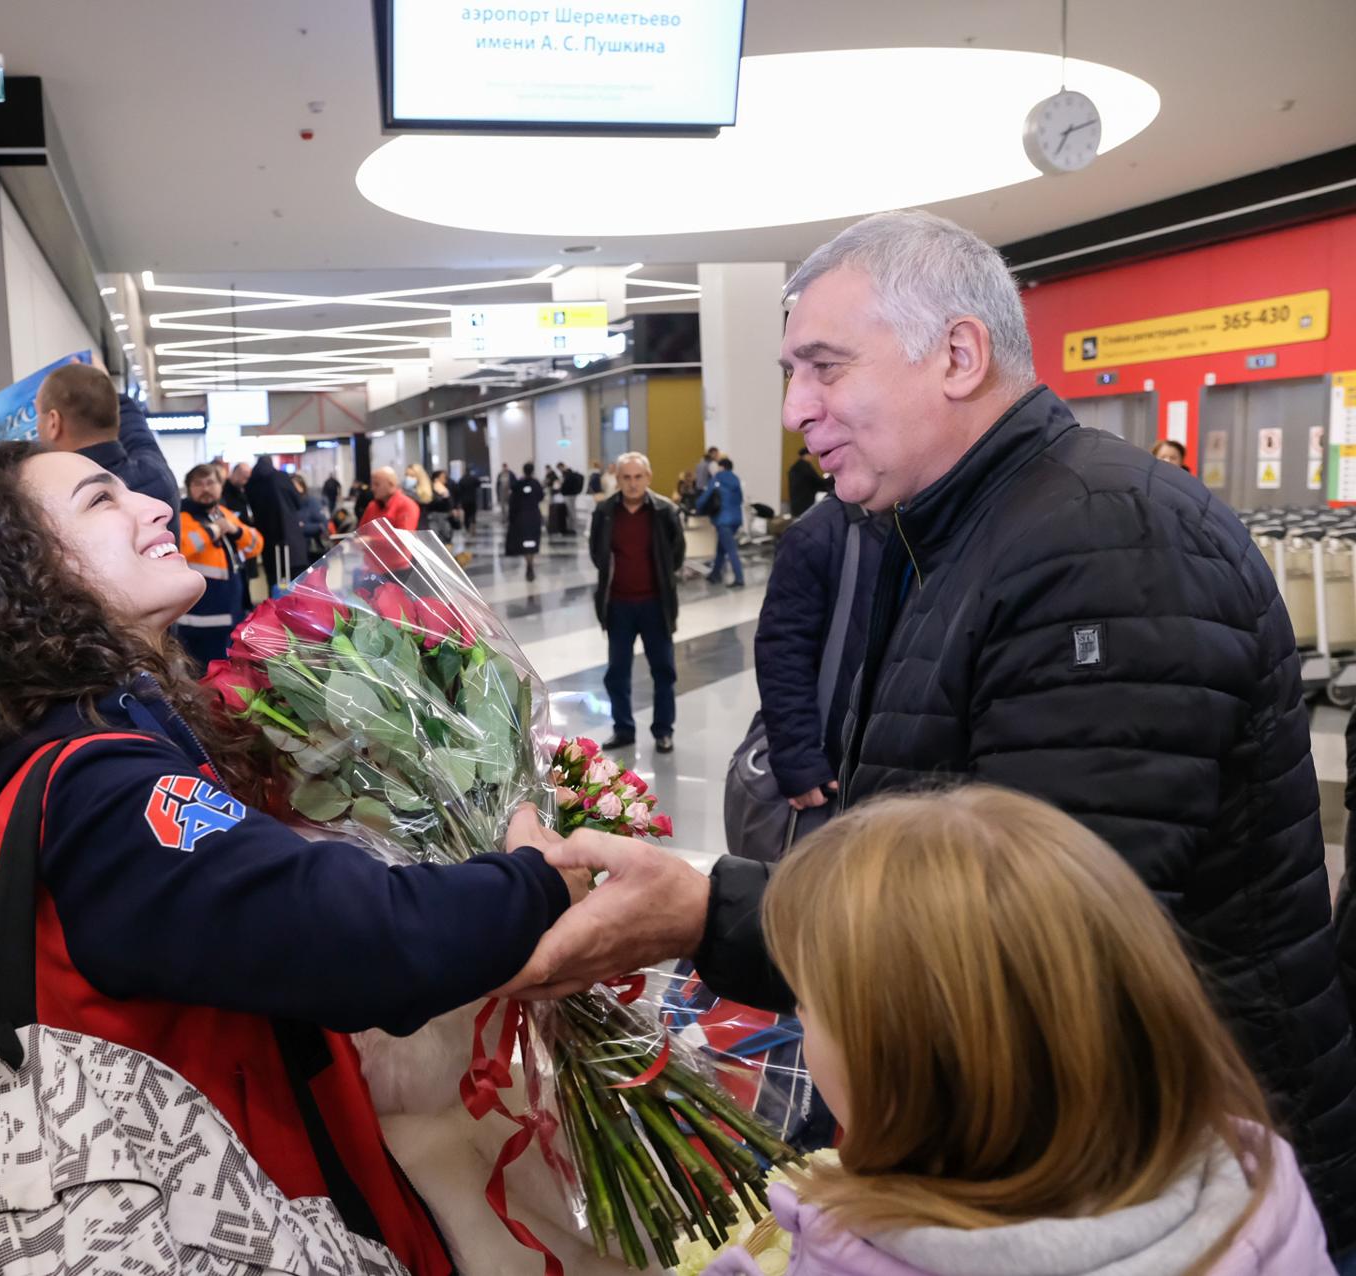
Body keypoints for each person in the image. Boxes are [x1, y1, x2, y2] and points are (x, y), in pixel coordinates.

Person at [500, 208, 1356, 1260]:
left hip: (1150, 1201)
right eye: (788, 371)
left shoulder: (1103, 548)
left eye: (824, 367)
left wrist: (701, 912)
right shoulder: (968, 530)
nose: (794, 408)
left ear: (957, 353)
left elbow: (1020, 948)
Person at [0, 443, 587, 1276]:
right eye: (101, 500)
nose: (156, 509)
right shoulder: (105, 791)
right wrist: (533, 880)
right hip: (238, 1224)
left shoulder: (95, 757)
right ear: (26, 577)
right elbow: (362, 941)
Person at [705, 787, 1335, 1276]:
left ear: (909, 1075)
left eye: (807, 1006)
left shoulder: (863, 1253)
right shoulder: (1256, 1186)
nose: (799, 1023)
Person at [754, 496, 883, 811]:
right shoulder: (818, 533)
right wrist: (799, 760)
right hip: (837, 763)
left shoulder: (937, 521)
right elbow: (783, 652)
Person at [590, 452, 686, 754]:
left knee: (663, 670)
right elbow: (598, 554)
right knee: (617, 672)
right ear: (617, 480)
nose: (632, 484)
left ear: (649, 477)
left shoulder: (665, 512)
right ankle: (623, 729)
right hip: (618, 606)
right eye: (626, 477)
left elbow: (677, 554)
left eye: (638, 477)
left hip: (655, 605)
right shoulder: (604, 512)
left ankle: (663, 730)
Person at [35, 363, 178, 513]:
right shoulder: (155, 473)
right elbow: (137, 434)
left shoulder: (54, 505)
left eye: (38, 416)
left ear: (53, 422)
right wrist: (99, 386)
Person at [174, 463, 263, 668]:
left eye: (210, 483)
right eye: (198, 484)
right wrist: (214, 530)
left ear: (221, 486)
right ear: (189, 488)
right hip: (199, 621)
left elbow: (256, 544)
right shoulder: (182, 516)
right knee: (203, 679)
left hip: (232, 614)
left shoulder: (224, 514)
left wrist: (234, 530)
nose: (205, 489)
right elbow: (183, 546)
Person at [242, 455, 308, 594]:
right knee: (297, 585)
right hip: (291, 540)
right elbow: (298, 502)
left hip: (267, 539)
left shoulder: (250, 484)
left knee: (273, 582)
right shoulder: (281, 477)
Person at [707, 457, 746, 587]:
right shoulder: (736, 479)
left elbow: (707, 496)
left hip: (723, 520)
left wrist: (699, 507)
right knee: (721, 548)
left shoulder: (717, 478)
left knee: (730, 550)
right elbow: (740, 499)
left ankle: (739, 578)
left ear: (722, 467)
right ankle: (715, 574)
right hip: (736, 519)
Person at [507, 465, 545, 581]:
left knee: (525, 541)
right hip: (533, 516)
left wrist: (511, 518)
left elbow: (512, 501)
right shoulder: (536, 484)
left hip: (522, 517)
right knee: (533, 541)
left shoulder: (518, 484)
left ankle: (528, 562)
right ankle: (530, 562)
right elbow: (541, 496)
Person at [291, 472, 330, 561]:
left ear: (302, 487)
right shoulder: (289, 505)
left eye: (294, 487)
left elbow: (323, 525)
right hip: (296, 554)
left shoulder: (311, 502)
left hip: (312, 554)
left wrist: (303, 527)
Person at [787, 446, 830, 516]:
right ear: (806, 455)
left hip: (796, 500)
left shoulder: (796, 467)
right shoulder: (804, 467)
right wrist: (830, 480)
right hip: (804, 500)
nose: (812, 458)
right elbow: (816, 481)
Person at [456, 468, 481, 539]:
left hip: (464, 501)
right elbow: (479, 484)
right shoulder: (473, 478)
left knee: (466, 515)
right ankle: (472, 529)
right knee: (473, 514)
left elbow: (459, 490)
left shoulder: (462, 480)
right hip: (473, 499)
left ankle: (467, 528)